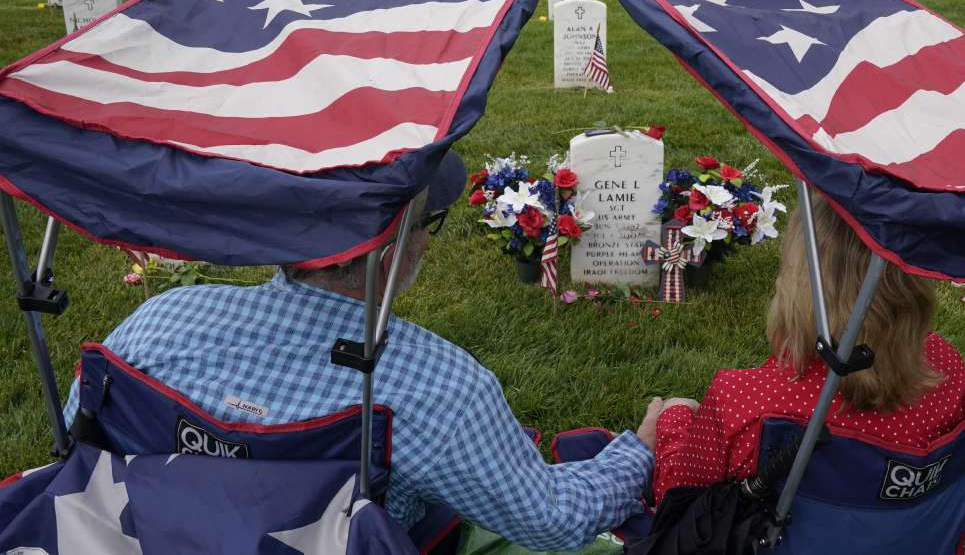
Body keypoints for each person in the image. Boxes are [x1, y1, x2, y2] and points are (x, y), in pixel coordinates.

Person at [62, 151, 661, 553]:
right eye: (435, 222)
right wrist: (638, 451)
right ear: (389, 250)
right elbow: (551, 521)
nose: (430, 238)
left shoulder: (155, 322)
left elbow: (78, 438)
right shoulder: (440, 387)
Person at [651, 195, 965, 503]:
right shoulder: (947, 367)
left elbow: (678, 501)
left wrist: (672, 418)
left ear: (799, 283)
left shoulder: (743, 402)